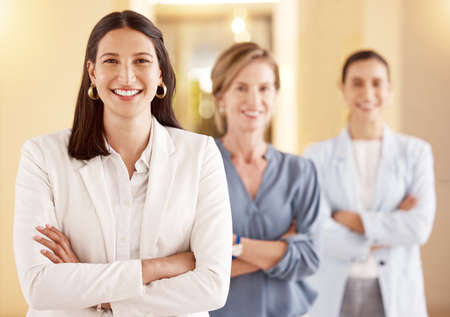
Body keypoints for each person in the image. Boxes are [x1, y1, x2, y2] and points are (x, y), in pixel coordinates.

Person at [14, 10, 232, 317]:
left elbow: (212, 285)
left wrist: (101, 297)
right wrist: (156, 268)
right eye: (111, 61)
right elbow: (39, 285)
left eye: (141, 60)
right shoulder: (42, 156)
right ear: (92, 72)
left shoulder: (200, 154)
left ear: (159, 73)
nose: (126, 76)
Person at [304, 50, 436, 317]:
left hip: (396, 289)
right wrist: (390, 223)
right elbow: (316, 230)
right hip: (333, 289)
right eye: (357, 83)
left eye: (376, 83)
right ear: (342, 89)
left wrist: (351, 220)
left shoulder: (416, 153)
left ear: (389, 90)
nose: (367, 93)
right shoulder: (316, 156)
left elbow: (418, 227)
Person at [208, 42, 320, 317]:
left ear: (276, 95)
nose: (255, 101)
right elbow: (192, 266)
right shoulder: (201, 167)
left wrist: (234, 245)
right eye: (241, 88)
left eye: (264, 88)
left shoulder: (300, 171)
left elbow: (309, 258)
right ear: (221, 97)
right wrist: (282, 247)